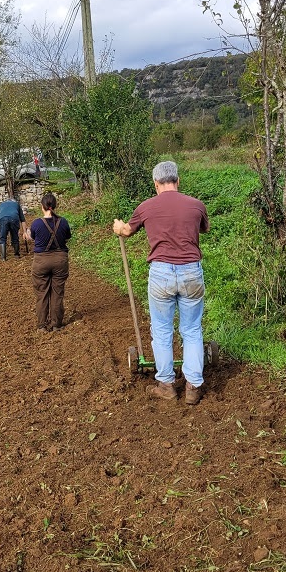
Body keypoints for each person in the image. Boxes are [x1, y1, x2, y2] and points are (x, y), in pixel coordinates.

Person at [113, 160, 209, 405]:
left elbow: (126, 231)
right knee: (191, 330)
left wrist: (118, 228)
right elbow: (204, 229)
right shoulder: (196, 205)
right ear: (177, 181)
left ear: (156, 184)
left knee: (162, 331)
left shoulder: (146, 207)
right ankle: (193, 385)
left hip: (161, 274)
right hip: (191, 273)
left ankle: (166, 384)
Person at [25, 192, 72, 331]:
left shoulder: (37, 223)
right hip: (60, 260)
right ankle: (56, 324)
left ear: (42, 207)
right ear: (55, 206)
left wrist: (27, 233)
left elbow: (32, 237)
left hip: (41, 262)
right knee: (57, 293)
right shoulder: (63, 221)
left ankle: (42, 325)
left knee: (42, 293)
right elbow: (67, 237)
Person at [0, 192, 25, 260]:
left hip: (3, 219)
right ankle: (16, 254)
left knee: (2, 238)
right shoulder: (17, 204)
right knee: (15, 237)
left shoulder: (1, 205)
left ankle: (3, 258)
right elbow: (22, 220)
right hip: (14, 218)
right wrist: (24, 232)